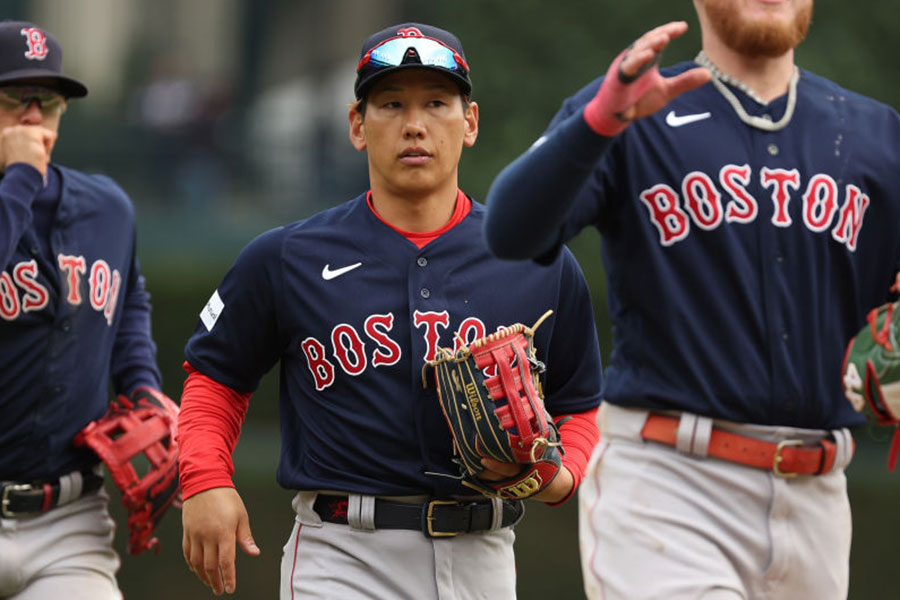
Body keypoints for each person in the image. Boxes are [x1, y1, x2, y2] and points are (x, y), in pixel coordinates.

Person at [484, 1, 900, 599]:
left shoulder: (874, 135)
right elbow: (510, 233)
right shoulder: (633, 108)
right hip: (670, 485)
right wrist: (600, 121)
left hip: (820, 500)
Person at [177, 22, 603, 599]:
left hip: (484, 556)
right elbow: (216, 379)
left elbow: (580, 405)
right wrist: (204, 480)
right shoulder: (287, 257)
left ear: (469, 123)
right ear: (357, 125)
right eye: (391, 104)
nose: (414, 125)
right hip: (343, 554)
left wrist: (559, 476)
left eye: (436, 102)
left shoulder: (536, 259)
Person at [0, 20, 164, 600]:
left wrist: (141, 384)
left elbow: (129, 302)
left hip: (66, 520)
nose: (31, 115)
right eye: (13, 98)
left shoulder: (107, 209)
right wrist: (18, 179)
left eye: (46, 100)